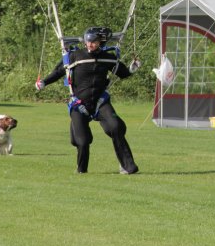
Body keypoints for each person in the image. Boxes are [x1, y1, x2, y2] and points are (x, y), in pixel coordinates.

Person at [35, 26, 141, 175]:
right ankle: (81, 170)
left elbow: (123, 73)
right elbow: (59, 72)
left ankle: (128, 167)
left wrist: (132, 69)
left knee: (116, 127)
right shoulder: (75, 56)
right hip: (79, 104)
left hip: (100, 103)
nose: (91, 44)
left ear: (100, 42)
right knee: (83, 141)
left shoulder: (107, 57)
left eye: (94, 42)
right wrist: (44, 82)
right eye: (88, 41)